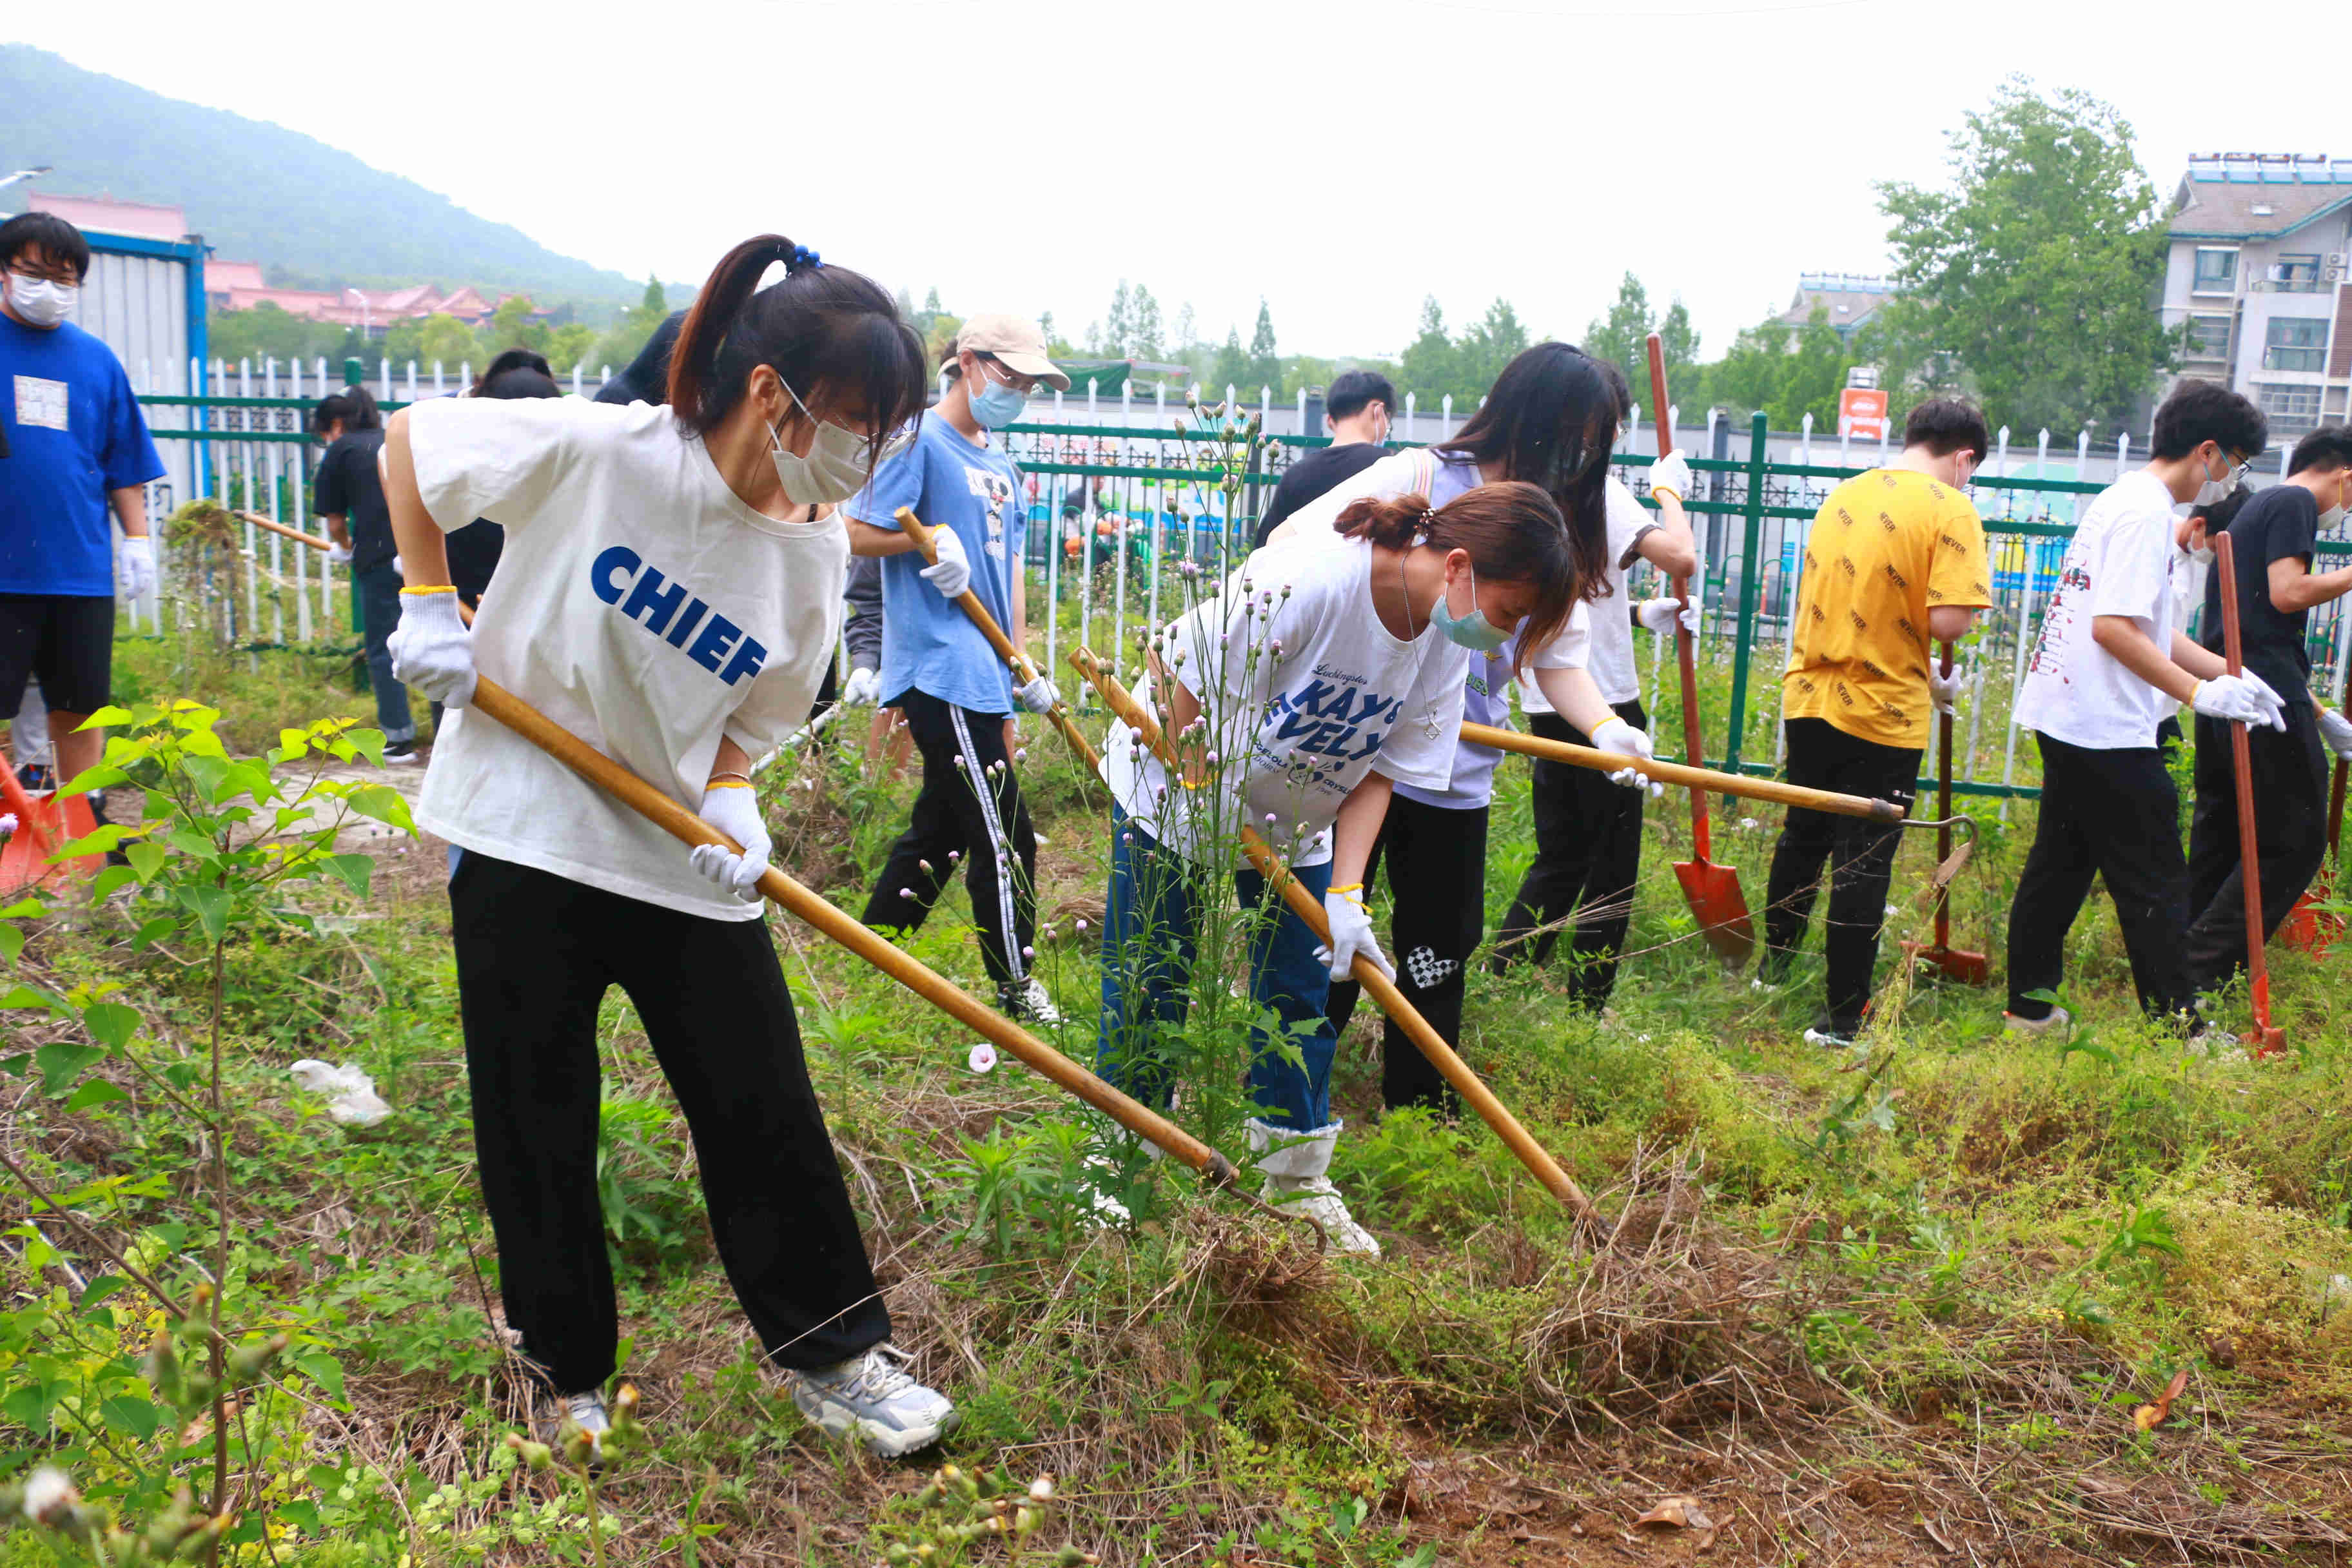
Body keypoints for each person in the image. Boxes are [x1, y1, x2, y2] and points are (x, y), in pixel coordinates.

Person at [380, 233, 959, 1458]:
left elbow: (754, 717)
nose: (865, 455)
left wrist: (734, 795)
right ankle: (564, 1374)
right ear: (771, 393)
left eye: (885, 430)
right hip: (523, 826)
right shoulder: (607, 453)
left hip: (672, 852)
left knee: (762, 1101)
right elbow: (411, 446)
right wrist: (428, 603)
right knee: (535, 1112)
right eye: (856, 422)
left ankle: (836, 1357)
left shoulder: (811, 550)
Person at [1097, 481, 1583, 1253]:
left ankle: (1295, 1178)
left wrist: (1349, 891)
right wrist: (1198, 780)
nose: (1500, 634)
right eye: (1508, 611)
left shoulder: (1442, 641)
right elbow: (1174, 668)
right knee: (1153, 973)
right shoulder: (1317, 578)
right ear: (1460, 565)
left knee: (1299, 992)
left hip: (1296, 811)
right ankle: (1123, 1168)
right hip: (1179, 786)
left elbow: (1382, 766)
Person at [1276, 345, 1671, 1102]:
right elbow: (1293, 549)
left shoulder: (1550, 521)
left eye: (1593, 444)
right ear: (1530, 417)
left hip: (1451, 775)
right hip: (1356, 752)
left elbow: (1555, 656)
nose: (1578, 457)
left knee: (1440, 944)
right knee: (1331, 926)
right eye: (1574, 437)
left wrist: (1603, 730)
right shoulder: (1422, 478)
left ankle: (1419, 1111)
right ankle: (1294, 1094)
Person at [2004, 380, 2284, 1037]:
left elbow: (2152, 629)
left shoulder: (2126, 499)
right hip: (2106, 725)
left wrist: (2232, 674)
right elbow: (2113, 628)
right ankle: (2180, 1028)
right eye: (2237, 464)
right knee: (2155, 877)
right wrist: (2198, 695)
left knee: (2061, 865)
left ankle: (2031, 1010)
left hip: (2072, 714)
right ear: (2207, 451)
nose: (2233, 480)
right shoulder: (2146, 515)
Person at [848, 316, 1071, 1026]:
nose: (1020, 392)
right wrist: (926, 542)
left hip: (985, 669)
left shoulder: (1002, 465)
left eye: (1030, 384)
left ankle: (874, 947)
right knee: (1004, 832)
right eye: (1011, 376)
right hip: (938, 667)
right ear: (967, 363)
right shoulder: (917, 439)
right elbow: (852, 529)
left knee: (941, 826)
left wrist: (1021, 663)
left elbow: (1011, 573)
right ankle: (1016, 985)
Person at [1754, 398, 1994, 1046]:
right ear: (1964, 456)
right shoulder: (1952, 508)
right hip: (1883, 710)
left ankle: (1773, 971)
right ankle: (1842, 1018)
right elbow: (1949, 621)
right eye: (1971, 470)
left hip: (1809, 696)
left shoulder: (1845, 494)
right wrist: (1939, 665)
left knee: (1803, 837)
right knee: (1863, 859)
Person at [1493, 466, 1701, 1013]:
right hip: (1603, 702)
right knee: (1610, 866)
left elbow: (1580, 601)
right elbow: (1681, 558)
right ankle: (1587, 1002)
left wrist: (1639, 614)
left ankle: (1502, 980)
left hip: (1550, 698)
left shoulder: (1531, 485)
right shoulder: (1600, 488)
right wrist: (1669, 492)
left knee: (1563, 856)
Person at [0, 210, 164, 799]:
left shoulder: (95, 360)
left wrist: (138, 541)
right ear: (3, 271)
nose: (49, 288)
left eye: (64, 279)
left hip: (78, 570)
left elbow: (124, 462)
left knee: (79, 706)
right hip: (3, 571)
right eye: (34, 273)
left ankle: (83, 820)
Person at [2182, 425, 2352, 992]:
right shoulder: (2295, 502)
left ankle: (2176, 976)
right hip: (2265, 695)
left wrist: (2321, 715)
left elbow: (2256, 617)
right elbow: (2288, 592)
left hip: (2231, 685)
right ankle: (2201, 970)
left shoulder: (2260, 508)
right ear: (2345, 476)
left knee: (2223, 836)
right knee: (2296, 838)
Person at [314, 386, 418, 763]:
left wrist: (343, 548)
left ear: (336, 424)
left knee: (384, 649)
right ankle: (450, 733)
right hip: (422, 555)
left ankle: (399, 738)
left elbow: (335, 522)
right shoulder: (397, 441)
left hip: (377, 558)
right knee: (442, 639)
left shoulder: (342, 450)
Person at [1253, 369, 1395, 548]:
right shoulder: (1390, 467)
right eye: (1388, 418)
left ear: (1330, 421)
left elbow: (1265, 547)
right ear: (1377, 410)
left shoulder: (1297, 474)